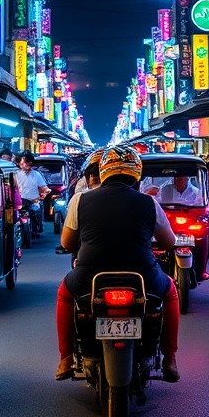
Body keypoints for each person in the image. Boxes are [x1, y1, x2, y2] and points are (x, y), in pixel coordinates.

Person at [55, 146, 181, 382]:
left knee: (65, 294)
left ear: (104, 171)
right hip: (142, 275)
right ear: (136, 174)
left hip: (90, 275)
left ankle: (66, 358)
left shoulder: (79, 200)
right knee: (170, 292)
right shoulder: (149, 202)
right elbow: (169, 242)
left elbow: (67, 243)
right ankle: (170, 358)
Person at [15, 152, 49, 238]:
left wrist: (41, 198)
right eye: (22, 162)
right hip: (21, 202)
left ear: (30, 163)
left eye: (25, 162)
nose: (23, 164)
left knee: (35, 211)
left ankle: (36, 228)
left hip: (33, 201)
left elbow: (45, 188)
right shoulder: (16, 174)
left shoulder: (36, 175)